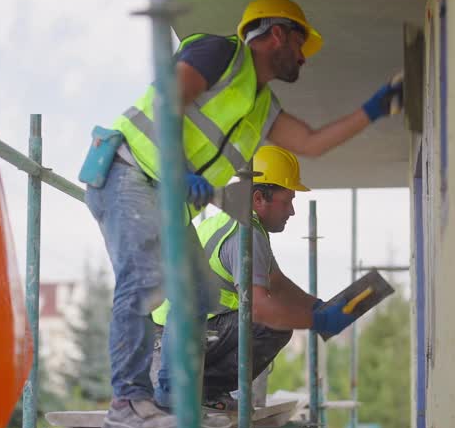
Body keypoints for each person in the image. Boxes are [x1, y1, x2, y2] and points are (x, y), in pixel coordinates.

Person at [80, 0, 402, 428]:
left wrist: (373, 110)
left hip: (163, 194)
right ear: (277, 35)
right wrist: (182, 171)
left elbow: (311, 143)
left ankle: (174, 402)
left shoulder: (260, 105)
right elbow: (169, 101)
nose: (305, 60)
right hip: (128, 172)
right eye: (302, 46)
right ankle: (127, 403)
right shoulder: (220, 54)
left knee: (193, 293)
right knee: (145, 280)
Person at [149, 146, 352, 413]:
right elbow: (259, 309)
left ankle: (199, 388)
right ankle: (202, 390)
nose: (291, 211)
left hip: (171, 339)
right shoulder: (245, 234)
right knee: (273, 325)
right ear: (258, 198)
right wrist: (320, 320)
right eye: (287, 201)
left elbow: (276, 282)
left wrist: (320, 307)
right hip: (174, 343)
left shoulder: (236, 222)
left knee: (273, 318)